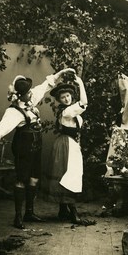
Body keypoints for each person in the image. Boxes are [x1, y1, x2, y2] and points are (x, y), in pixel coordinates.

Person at [0, 68, 75, 229]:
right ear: (20, 95)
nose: (31, 94)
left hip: (36, 146)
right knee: (21, 179)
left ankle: (29, 212)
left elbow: (44, 86)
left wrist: (60, 73)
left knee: (34, 178)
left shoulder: (30, 99)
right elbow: (3, 126)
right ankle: (18, 216)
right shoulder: (13, 111)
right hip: (23, 147)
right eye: (27, 92)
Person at [42, 72, 88, 224]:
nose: (66, 99)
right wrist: (80, 83)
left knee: (68, 174)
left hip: (71, 144)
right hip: (65, 145)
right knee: (69, 176)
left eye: (68, 96)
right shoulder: (67, 112)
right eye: (63, 97)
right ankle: (73, 213)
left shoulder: (73, 112)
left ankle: (63, 210)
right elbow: (84, 102)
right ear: (59, 100)